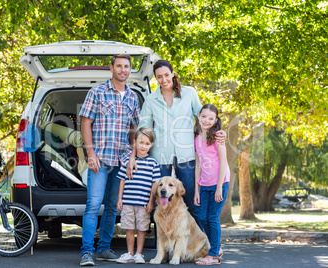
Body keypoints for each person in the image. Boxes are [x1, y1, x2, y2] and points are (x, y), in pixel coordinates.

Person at [126, 60, 225, 227]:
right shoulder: (151, 100)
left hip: (186, 155)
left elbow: (205, 118)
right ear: (155, 79)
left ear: (172, 73)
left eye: (166, 75)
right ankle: (163, 252)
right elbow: (144, 131)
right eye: (159, 77)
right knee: (161, 205)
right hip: (160, 157)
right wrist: (133, 157)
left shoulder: (189, 93)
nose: (163, 79)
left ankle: (201, 245)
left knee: (193, 203)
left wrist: (219, 132)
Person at [79, 54, 140, 266]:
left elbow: (134, 130)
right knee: (93, 205)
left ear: (130, 70)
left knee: (113, 207)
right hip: (100, 158)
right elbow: (85, 123)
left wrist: (132, 156)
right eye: (119, 66)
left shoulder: (133, 97)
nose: (123, 69)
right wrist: (90, 154)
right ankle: (87, 252)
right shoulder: (97, 92)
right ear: (111, 68)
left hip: (121, 159)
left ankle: (104, 248)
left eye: (126, 66)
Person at [115, 127, 161, 264]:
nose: (143, 146)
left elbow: (154, 185)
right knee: (129, 228)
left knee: (142, 228)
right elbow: (122, 181)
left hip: (143, 203)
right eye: (141, 142)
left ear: (151, 145)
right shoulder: (128, 162)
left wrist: (151, 202)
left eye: (147, 144)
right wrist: (119, 199)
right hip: (128, 201)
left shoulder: (153, 163)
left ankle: (139, 254)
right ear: (135, 142)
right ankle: (129, 253)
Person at [193, 104, 230, 265]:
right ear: (199, 116)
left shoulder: (218, 138)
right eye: (204, 116)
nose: (206, 120)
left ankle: (213, 254)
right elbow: (198, 165)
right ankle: (216, 247)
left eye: (211, 118)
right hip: (204, 184)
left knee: (212, 217)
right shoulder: (197, 139)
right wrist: (196, 189)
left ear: (215, 121)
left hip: (219, 183)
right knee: (202, 217)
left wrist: (219, 187)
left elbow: (223, 162)